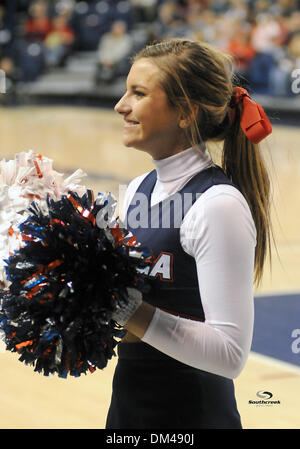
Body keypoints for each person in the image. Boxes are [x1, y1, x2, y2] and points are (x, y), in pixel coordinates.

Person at [106, 38, 273, 429]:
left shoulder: (218, 206)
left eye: (139, 93)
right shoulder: (136, 190)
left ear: (185, 113)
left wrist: (124, 307)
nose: (120, 105)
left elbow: (230, 355)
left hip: (193, 415)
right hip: (129, 407)